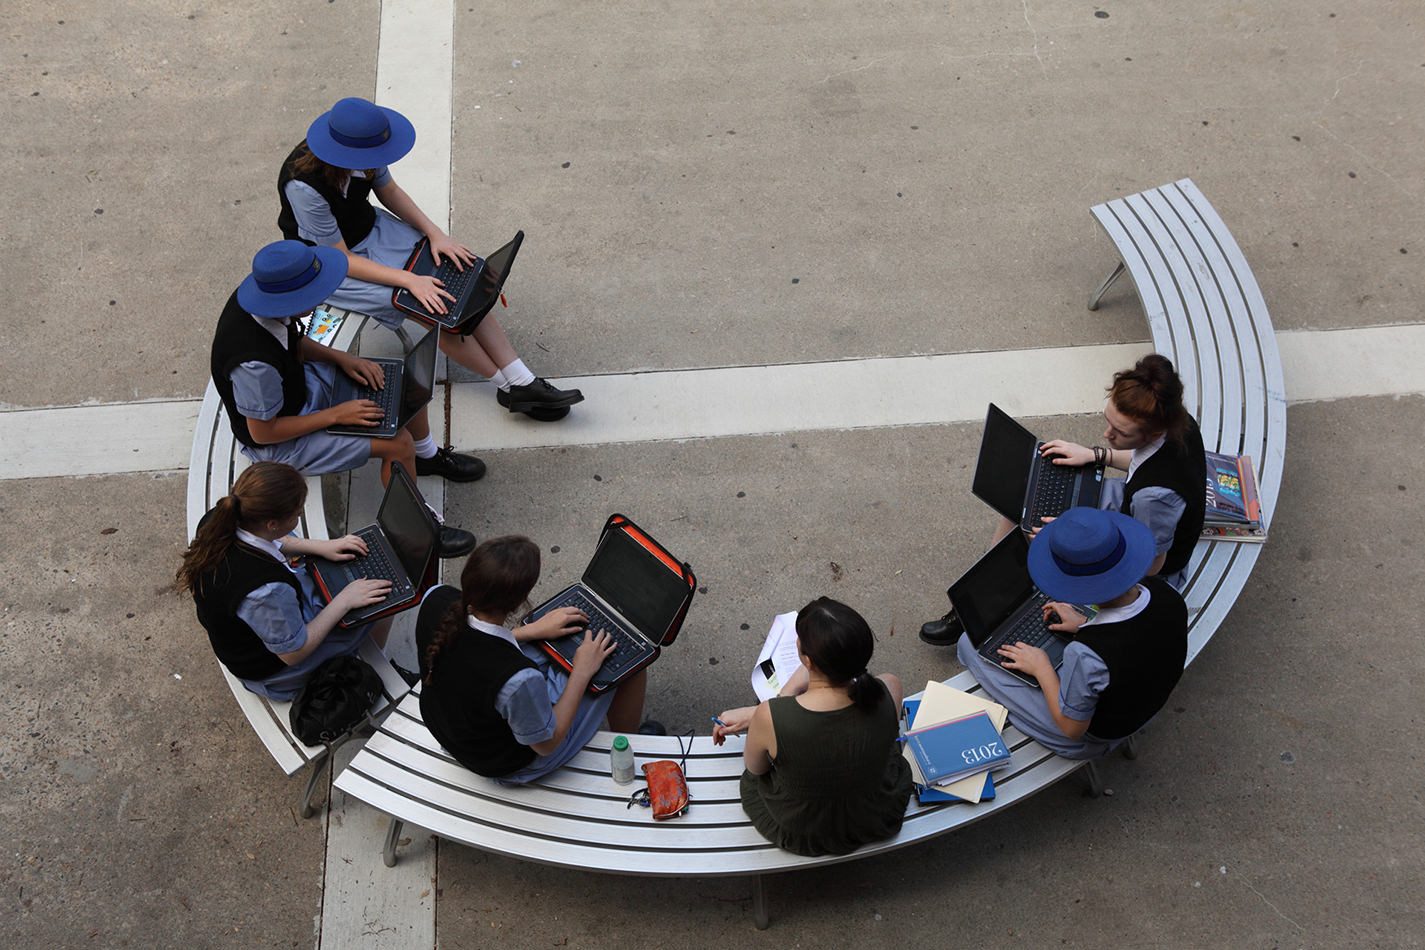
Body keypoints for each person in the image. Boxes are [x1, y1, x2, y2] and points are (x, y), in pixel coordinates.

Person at [277, 96, 583, 421]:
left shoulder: (363, 149)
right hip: (330, 265)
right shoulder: (303, 187)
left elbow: (389, 191)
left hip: (374, 232)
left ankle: (523, 380)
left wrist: (436, 234)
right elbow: (341, 258)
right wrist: (411, 279)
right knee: (432, 308)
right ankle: (508, 388)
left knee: (464, 277)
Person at [211, 239, 477, 557]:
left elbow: (293, 342)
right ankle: (416, 531)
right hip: (279, 443)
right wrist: (336, 415)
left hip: (298, 392)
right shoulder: (254, 365)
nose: (321, 297)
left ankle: (426, 456)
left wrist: (342, 358)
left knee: (403, 386)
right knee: (397, 443)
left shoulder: (264, 302)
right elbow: (263, 432)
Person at [921, 353, 1205, 644]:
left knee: (1036, 535)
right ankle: (985, 590)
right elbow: (1141, 458)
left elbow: (1149, 564)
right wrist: (1096, 455)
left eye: (1120, 433)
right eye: (1108, 421)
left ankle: (984, 607)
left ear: (1154, 430)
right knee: (1026, 502)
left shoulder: (1155, 498)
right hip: (1127, 515)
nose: (1107, 434)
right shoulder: (1178, 423)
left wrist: (1074, 544)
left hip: (1135, 564)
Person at [417, 536, 655, 783]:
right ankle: (627, 747)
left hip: (452, 728)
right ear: (519, 602)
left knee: (559, 651)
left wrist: (531, 631)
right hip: (507, 760)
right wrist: (581, 672)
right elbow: (546, 744)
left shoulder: (435, 598)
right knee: (629, 663)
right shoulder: (516, 680)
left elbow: (474, 646)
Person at [956, 507, 1189, 759]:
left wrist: (1041, 668)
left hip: (1098, 734)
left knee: (968, 647)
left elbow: (1072, 728)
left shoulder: (1086, 654)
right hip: (1145, 699)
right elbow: (1137, 638)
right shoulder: (1165, 594)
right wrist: (1085, 624)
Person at [177, 461, 393, 701]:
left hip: (259, 627)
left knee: (344, 582)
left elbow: (273, 541)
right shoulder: (266, 591)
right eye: (297, 513)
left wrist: (322, 547)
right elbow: (293, 652)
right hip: (274, 670)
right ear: (272, 523)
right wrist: (344, 601)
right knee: (383, 603)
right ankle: (372, 670)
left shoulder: (220, 521)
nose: (300, 514)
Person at [713, 598, 913, 857]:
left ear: (806, 659)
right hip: (874, 812)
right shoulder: (889, 688)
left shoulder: (771, 717)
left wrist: (777, 702)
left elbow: (756, 769)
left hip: (804, 829)